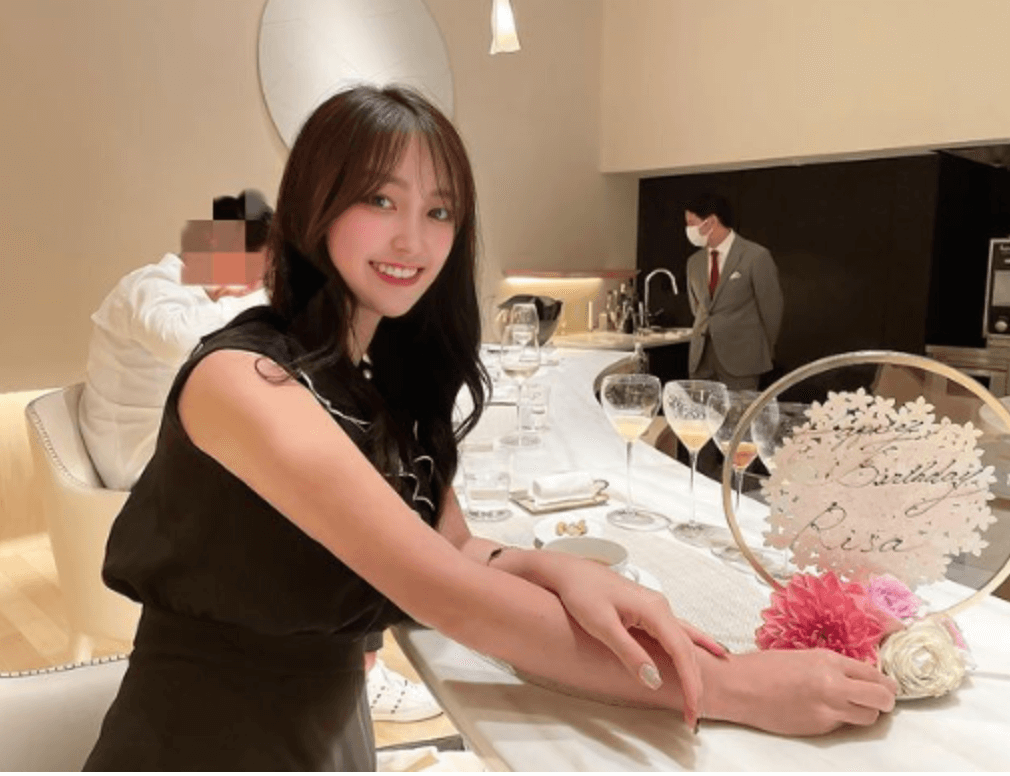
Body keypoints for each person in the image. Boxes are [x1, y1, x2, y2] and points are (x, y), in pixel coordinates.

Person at [85, 86, 897, 770]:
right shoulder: (245, 379)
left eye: (439, 210)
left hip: (330, 735)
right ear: (312, 206)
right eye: (379, 200)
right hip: (205, 742)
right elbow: (445, 594)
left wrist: (556, 567)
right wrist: (728, 685)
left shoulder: (375, 377)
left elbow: (456, 550)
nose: (413, 239)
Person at [80, 190, 437, 723]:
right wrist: (278, 302)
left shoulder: (197, 294)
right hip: (137, 463)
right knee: (320, 492)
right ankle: (360, 664)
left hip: (171, 445)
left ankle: (353, 650)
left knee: (337, 459)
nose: (262, 285)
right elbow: (190, 340)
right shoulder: (150, 286)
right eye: (265, 271)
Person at [79, 191, 273, 491]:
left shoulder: (207, 305)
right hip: (139, 467)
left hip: (179, 449)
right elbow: (180, 341)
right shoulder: (148, 286)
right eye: (257, 277)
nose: (254, 288)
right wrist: (268, 298)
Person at [684, 192, 784, 390]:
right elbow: (698, 309)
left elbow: (772, 312)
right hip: (701, 361)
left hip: (742, 363)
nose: (688, 230)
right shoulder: (693, 263)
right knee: (699, 411)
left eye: (691, 223)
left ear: (711, 222)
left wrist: (759, 352)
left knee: (740, 410)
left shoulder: (756, 256)